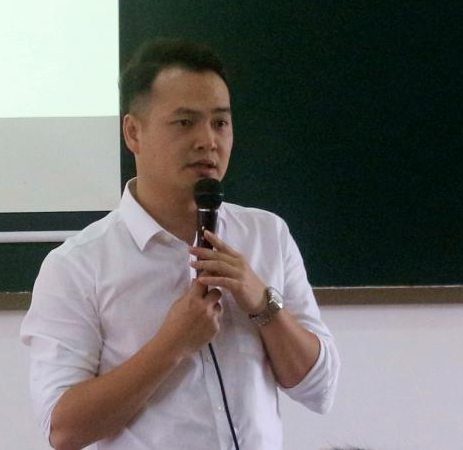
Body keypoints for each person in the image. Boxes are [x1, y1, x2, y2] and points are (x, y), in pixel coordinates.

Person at [20, 39, 340, 450]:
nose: (208, 141)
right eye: (185, 123)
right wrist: (172, 344)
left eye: (220, 123)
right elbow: (65, 429)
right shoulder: (79, 265)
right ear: (133, 132)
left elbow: (320, 389)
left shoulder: (267, 235)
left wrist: (263, 303)